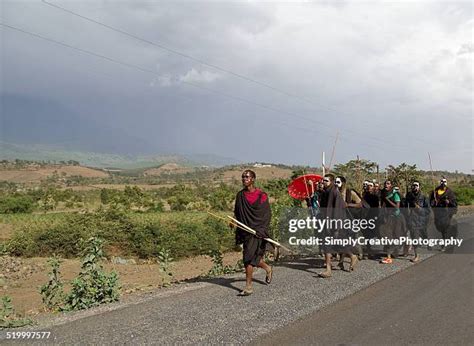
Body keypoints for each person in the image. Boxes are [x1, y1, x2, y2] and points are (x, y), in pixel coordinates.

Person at [233, 169, 273, 296]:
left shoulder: (262, 195)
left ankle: (248, 286)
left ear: (253, 179)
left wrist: (261, 230)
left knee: (248, 259)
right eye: (243, 177)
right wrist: (234, 222)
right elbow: (237, 213)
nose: (244, 179)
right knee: (253, 258)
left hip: (258, 231)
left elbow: (266, 215)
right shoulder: (240, 195)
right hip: (246, 230)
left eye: (247, 177)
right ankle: (267, 268)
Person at [318, 174, 358, 278]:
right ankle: (328, 270)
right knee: (327, 246)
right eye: (323, 181)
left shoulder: (335, 192)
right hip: (327, 222)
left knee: (339, 245)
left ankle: (352, 256)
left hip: (336, 223)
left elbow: (338, 210)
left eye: (326, 181)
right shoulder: (325, 192)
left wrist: (336, 225)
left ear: (331, 181)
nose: (323, 182)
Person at [379, 180, 406, 264]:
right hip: (388, 216)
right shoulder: (384, 193)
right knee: (387, 234)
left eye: (388, 184)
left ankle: (406, 244)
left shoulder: (395, 194)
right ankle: (389, 256)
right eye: (385, 183)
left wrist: (388, 200)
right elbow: (383, 204)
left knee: (396, 235)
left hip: (397, 217)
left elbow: (397, 207)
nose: (386, 185)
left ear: (391, 186)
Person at [405, 181, 431, 262]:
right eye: (413, 185)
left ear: (419, 187)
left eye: (416, 185)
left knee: (424, 235)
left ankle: (427, 242)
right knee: (414, 237)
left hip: (421, 220)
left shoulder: (423, 197)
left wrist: (420, 209)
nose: (414, 187)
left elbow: (428, 211)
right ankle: (416, 255)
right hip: (412, 220)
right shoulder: (409, 196)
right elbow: (405, 206)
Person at [429, 178, 457, 250]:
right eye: (442, 182)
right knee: (440, 228)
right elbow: (431, 200)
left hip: (446, 213)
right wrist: (434, 202)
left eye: (444, 182)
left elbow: (454, 202)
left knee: (445, 229)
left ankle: (444, 244)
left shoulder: (449, 192)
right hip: (438, 213)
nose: (443, 183)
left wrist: (449, 202)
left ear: (446, 183)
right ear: (440, 182)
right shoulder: (435, 191)